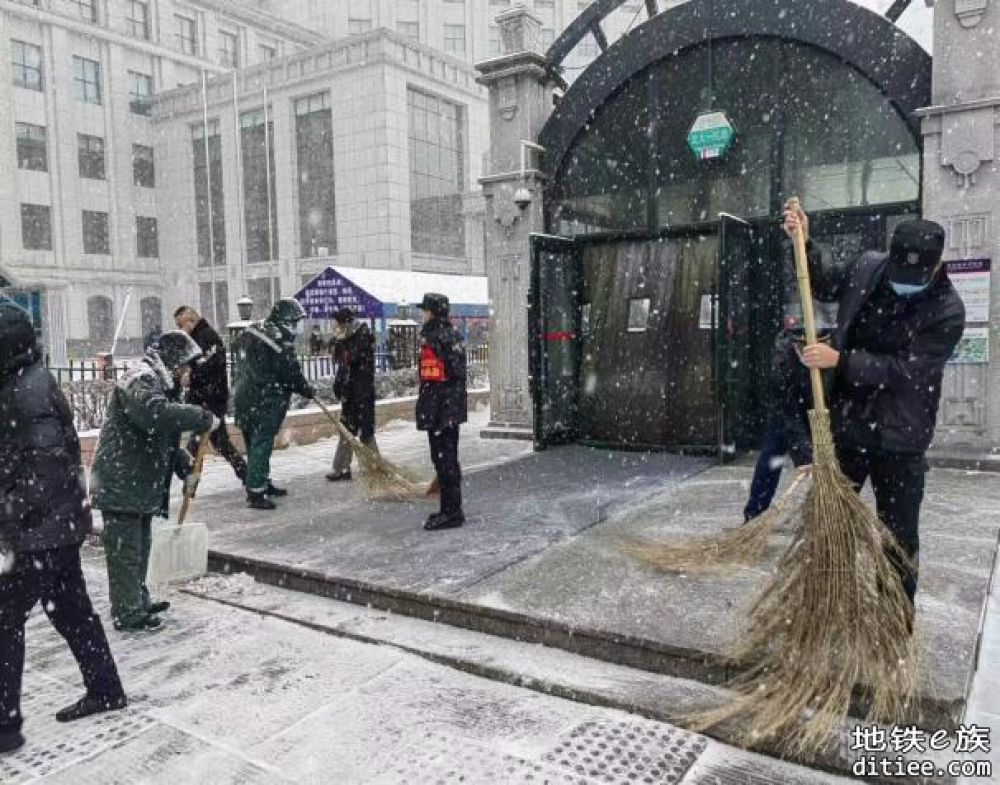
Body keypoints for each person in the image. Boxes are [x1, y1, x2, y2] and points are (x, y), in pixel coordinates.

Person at [795, 208, 965, 608]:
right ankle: (828, 611)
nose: (903, 285)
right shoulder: (868, 268)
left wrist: (842, 360)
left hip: (901, 440)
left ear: (937, 265)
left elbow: (908, 372)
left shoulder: (947, 311)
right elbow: (823, 281)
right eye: (898, 275)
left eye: (914, 280)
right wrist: (804, 242)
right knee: (831, 527)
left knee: (898, 540)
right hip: (849, 428)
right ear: (889, 256)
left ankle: (893, 631)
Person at [0, 302, 127, 754]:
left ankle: (5, 727)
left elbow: (46, 467)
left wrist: (9, 513)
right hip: (56, 526)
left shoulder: (26, 390)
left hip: (39, 530)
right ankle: (106, 689)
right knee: (70, 611)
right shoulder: (23, 380)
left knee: (5, 620)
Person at [90, 331, 217, 631]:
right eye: (185, 367)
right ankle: (127, 611)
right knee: (126, 552)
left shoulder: (162, 385)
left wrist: (184, 466)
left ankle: (137, 599)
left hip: (138, 482)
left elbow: (165, 437)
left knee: (140, 546)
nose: (187, 375)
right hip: (122, 480)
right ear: (173, 362)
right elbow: (155, 416)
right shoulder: (140, 378)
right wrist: (200, 416)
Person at [743, 199, 839, 521]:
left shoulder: (838, 347)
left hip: (830, 415)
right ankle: (754, 518)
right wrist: (802, 452)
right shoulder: (785, 354)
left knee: (838, 466)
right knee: (772, 454)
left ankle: (828, 521)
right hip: (793, 414)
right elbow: (784, 407)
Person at [233, 298, 315, 510]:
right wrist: (305, 389)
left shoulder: (253, 331)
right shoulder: (279, 340)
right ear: (286, 320)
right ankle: (256, 492)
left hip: (244, 398)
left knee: (254, 444)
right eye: (296, 322)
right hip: (265, 401)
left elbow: (239, 353)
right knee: (262, 445)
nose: (298, 328)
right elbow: (290, 373)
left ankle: (261, 482)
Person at [173, 306, 248, 484]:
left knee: (199, 443)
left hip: (210, 399)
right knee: (219, 441)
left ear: (190, 320)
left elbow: (211, 365)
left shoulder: (206, 336)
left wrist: (191, 376)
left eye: (180, 324)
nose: (179, 329)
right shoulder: (197, 338)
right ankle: (247, 476)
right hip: (206, 398)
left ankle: (190, 481)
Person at [417, 293, 468, 531]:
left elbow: (431, 378)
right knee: (449, 460)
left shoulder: (433, 338)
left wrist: (429, 410)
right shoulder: (453, 334)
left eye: (425, 310)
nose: (422, 314)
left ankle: (452, 512)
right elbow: (455, 373)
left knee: (443, 461)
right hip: (451, 408)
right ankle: (450, 508)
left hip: (440, 409)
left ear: (433, 312)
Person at [326, 309, 377, 482]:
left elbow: (353, 362)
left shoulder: (361, 339)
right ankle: (342, 468)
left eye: (338, 325)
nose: (335, 329)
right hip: (349, 393)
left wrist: (344, 345)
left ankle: (374, 468)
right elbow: (342, 367)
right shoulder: (346, 340)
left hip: (362, 393)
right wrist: (339, 386)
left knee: (366, 432)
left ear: (346, 324)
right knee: (346, 430)